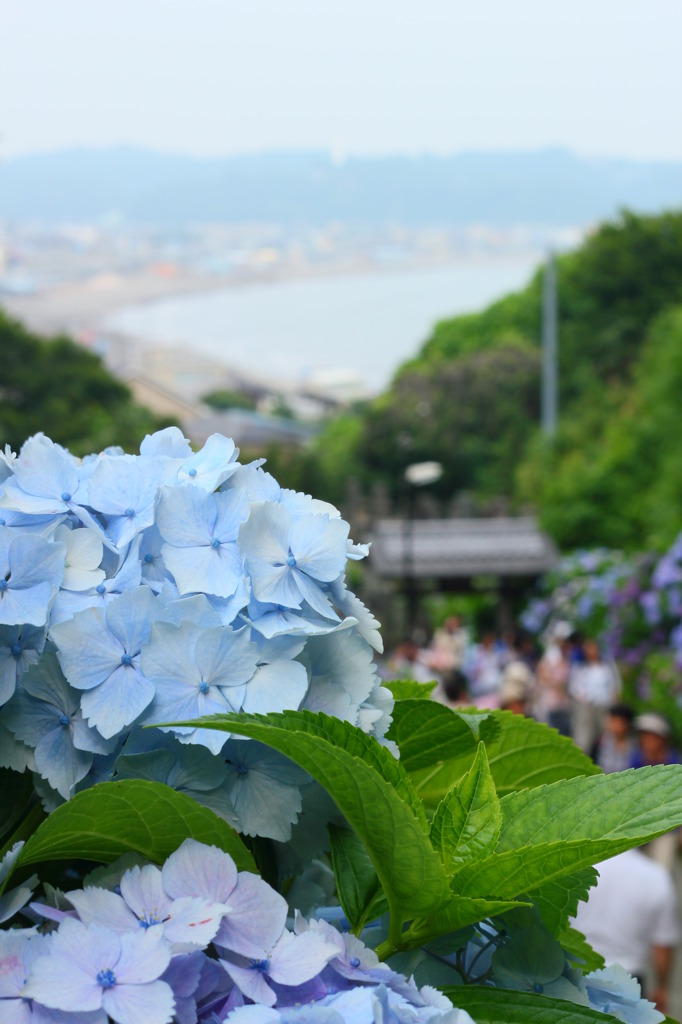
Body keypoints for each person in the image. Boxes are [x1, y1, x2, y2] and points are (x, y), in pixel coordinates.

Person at [572, 848, 681, 1014]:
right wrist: (661, 987)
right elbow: (663, 944)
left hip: (575, 975)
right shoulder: (655, 875)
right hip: (629, 980)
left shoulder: (577, 869)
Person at [630, 713, 681, 869]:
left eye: (652, 736)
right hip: (642, 827)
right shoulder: (636, 760)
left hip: (668, 829)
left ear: (662, 739)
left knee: (662, 869)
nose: (648, 741)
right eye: (644, 736)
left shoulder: (675, 763)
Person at [567, 638, 621, 753]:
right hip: (587, 708)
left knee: (608, 737)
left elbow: (616, 686)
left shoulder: (608, 666)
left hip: (605, 707)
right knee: (584, 737)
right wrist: (584, 698)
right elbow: (574, 688)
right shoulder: (580, 667)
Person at [591, 703, 637, 773]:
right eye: (612, 721)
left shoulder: (634, 745)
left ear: (626, 724)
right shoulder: (602, 740)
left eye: (617, 722)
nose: (613, 725)